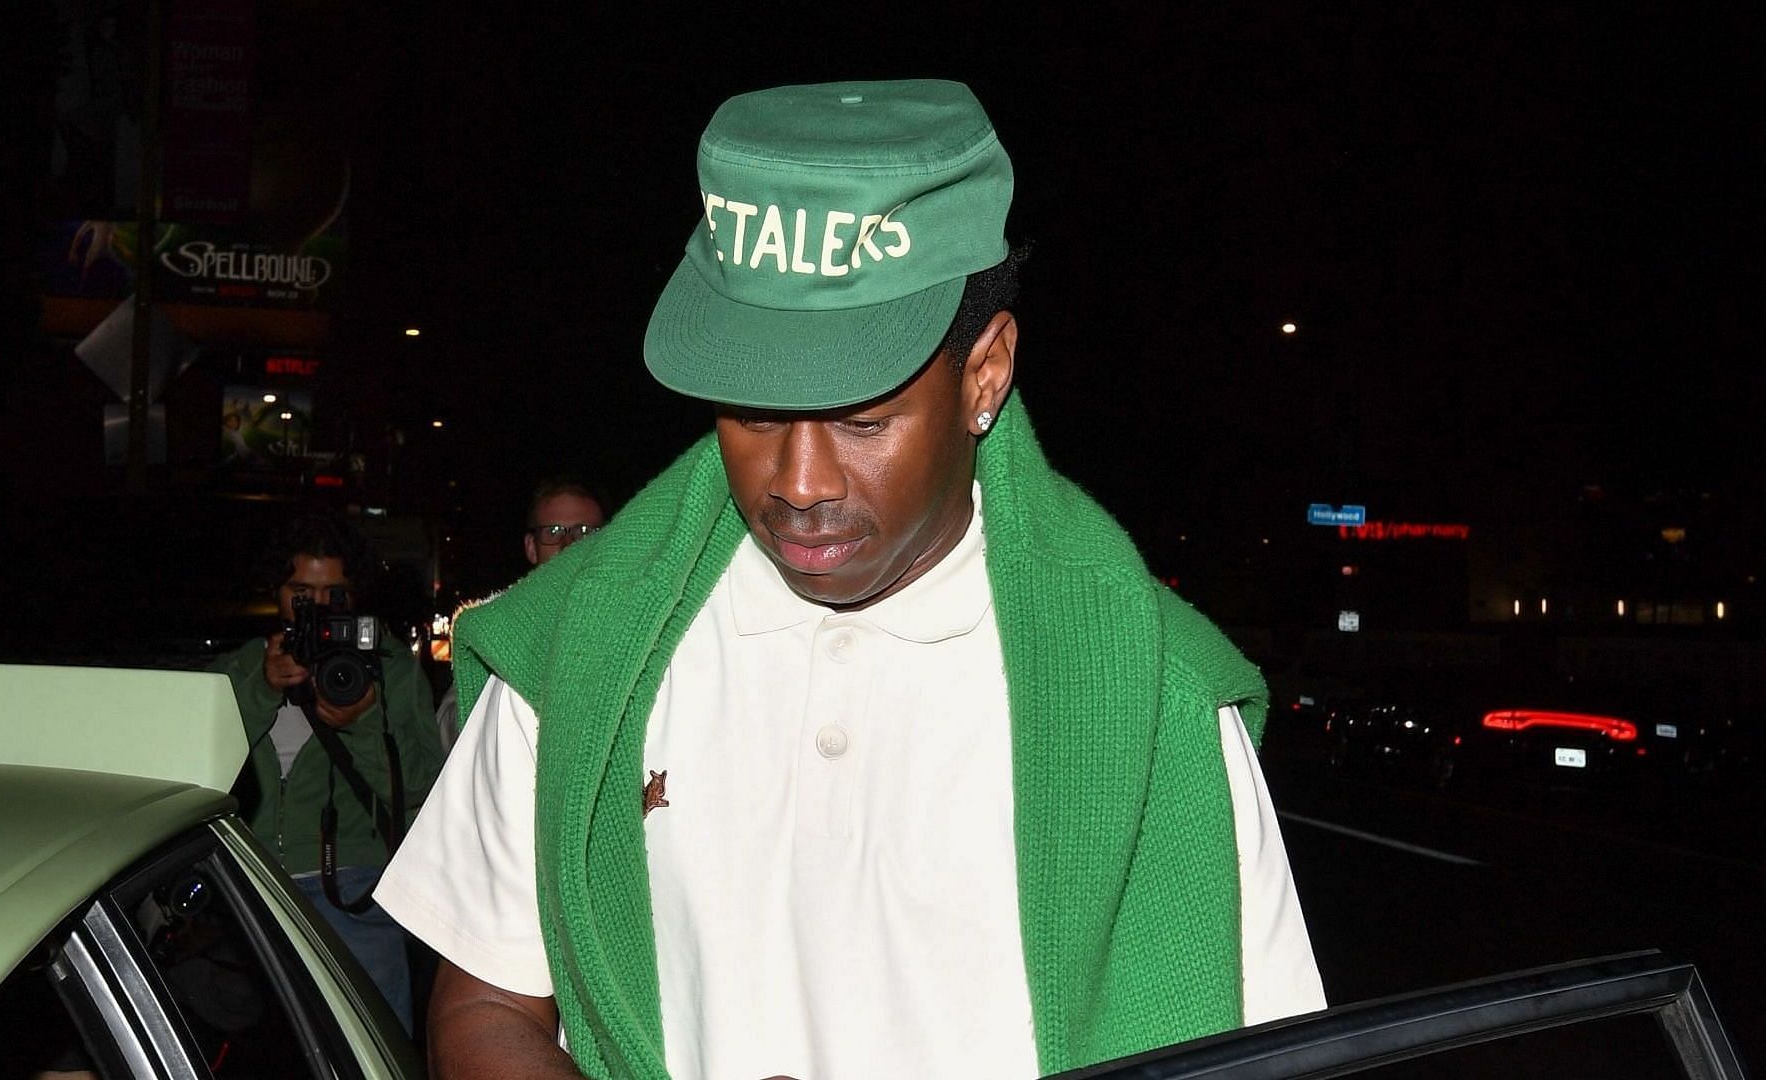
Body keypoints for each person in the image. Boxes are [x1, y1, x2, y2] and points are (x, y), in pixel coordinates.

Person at [376, 79, 1325, 1079]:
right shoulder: (568, 653)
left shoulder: (1157, 707)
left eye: (863, 420)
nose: (798, 483)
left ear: (985, 373)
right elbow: (486, 1006)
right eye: (752, 414)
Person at [213, 512, 444, 1030]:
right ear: (276, 592)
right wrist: (259, 687)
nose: (315, 608)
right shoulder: (245, 666)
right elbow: (193, 759)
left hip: (351, 883)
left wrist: (361, 723)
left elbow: (423, 786)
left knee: (373, 1039)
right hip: (247, 884)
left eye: (332, 593)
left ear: (353, 595)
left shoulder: (389, 668)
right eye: (300, 591)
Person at [433, 478, 610, 750]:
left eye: (583, 531)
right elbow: (449, 731)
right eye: (553, 532)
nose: (568, 544)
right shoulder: (496, 627)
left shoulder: (628, 623)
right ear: (531, 547)